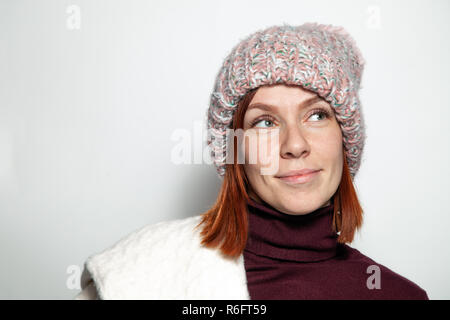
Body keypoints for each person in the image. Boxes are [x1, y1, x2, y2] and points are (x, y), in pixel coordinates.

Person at [74, 22, 428, 300]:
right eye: (265, 122)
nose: (294, 145)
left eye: (317, 115)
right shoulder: (142, 272)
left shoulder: (399, 295)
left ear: (345, 139)